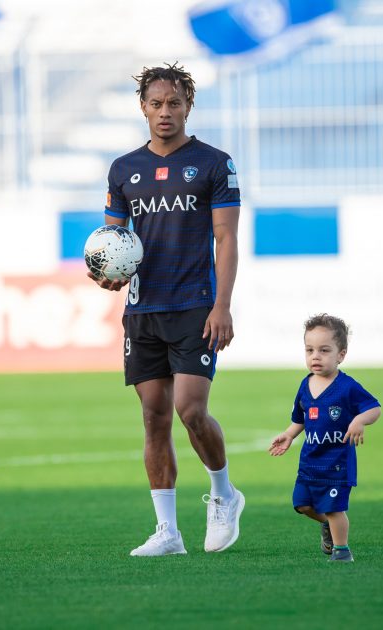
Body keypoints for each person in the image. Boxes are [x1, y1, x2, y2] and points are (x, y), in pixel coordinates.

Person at [89, 62, 244, 556]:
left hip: (195, 305)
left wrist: (222, 305)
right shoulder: (123, 169)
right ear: (142, 107)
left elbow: (226, 238)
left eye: (174, 103)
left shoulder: (215, 163)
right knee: (154, 417)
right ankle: (168, 532)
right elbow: (113, 240)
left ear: (188, 106)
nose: (164, 112)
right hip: (143, 310)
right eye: (155, 103)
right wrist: (107, 274)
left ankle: (224, 494)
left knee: (190, 410)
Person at [269, 314, 381, 562]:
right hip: (310, 462)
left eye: (324, 350)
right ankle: (328, 526)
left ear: (341, 355)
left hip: (337, 464)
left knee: (334, 509)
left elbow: (374, 408)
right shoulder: (305, 385)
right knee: (301, 504)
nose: (315, 356)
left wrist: (359, 420)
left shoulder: (347, 386)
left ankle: (342, 550)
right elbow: (300, 418)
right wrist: (289, 435)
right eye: (309, 350)